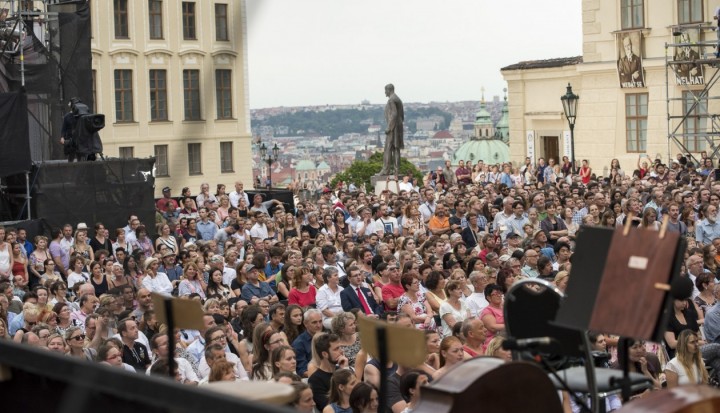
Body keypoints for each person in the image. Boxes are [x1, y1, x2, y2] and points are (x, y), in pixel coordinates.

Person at [308, 333, 349, 411]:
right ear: (325, 354)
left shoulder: (343, 369)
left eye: (340, 347)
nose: (341, 351)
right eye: (336, 349)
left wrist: (345, 370)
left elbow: (357, 394)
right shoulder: (315, 380)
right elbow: (328, 408)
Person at [378, 84, 404, 176]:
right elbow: (401, 115)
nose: (385, 93)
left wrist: (389, 127)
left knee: (388, 148)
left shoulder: (391, 100)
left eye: (385, 90)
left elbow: (394, 114)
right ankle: (396, 170)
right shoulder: (398, 99)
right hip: (398, 125)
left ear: (389, 90)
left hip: (393, 127)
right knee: (396, 149)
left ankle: (386, 170)